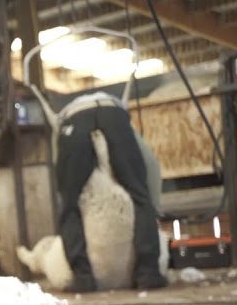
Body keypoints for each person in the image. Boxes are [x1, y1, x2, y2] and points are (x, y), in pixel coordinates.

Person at [54, 92, 166, 292]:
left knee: (69, 204)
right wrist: (153, 204)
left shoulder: (65, 114)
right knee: (140, 195)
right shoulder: (119, 108)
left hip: (74, 120)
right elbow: (152, 168)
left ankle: (83, 278)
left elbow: (62, 184)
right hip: (115, 118)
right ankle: (148, 273)